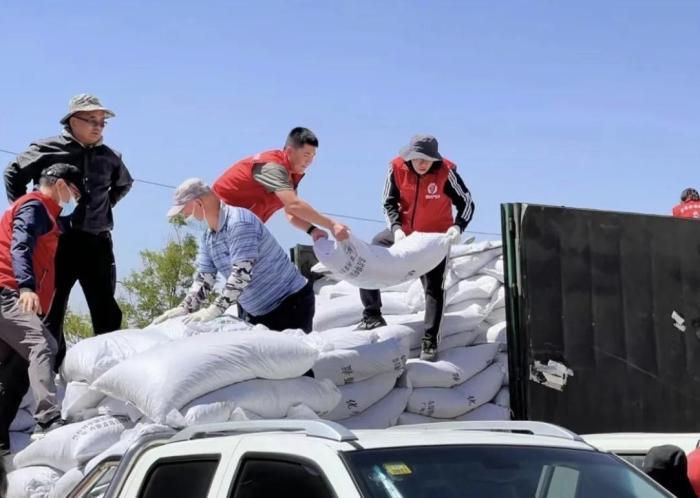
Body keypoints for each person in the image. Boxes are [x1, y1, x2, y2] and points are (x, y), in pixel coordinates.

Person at [4, 94, 134, 367]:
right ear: (74, 121)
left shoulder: (110, 157)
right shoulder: (46, 148)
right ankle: (50, 370)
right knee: (52, 309)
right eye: (91, 121)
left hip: (96, 241)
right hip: (56, 242)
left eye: (102, 122)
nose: (98, 127)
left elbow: (123, 184)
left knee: (106, 309)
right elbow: (13, 173)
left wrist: (104, 206)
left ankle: (109, 369)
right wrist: (27, 210)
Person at [356, 134, 475, 362]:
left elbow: (467, 202)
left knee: (433, 288)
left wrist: (458, 228)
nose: (422, 164)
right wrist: (396, 228)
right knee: (370, 253)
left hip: (434, 238)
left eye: (427, 160)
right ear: (409, 156)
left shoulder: (446, 172)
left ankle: (430, 340)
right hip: (404, 231)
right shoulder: (396, 168)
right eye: (418, 159)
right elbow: (388, 201)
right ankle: (372, 314)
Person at [153, 178, 315, 332]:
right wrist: (185, 307)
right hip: (256, 310)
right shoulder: (208, 235)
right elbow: (205, 278)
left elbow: (241, 275)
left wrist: (215, 309)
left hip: (289, 304)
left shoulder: (239, 223)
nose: (184, 219)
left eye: (184, 213)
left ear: (198, 204)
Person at [0, 164, 84, 450]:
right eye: (72, 190)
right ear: (59, 184)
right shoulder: (35, 206)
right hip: (8, 292)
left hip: (8, 293)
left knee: (12, 366)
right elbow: (20, 244)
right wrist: (26, 287)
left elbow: (56, 230)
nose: (73, 196)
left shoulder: (45, 212)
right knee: (42, 345)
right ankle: (48, 417)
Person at [212, 127, 349, 241]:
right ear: (289, 151)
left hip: (235, 230)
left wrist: (313, 230)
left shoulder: (290, 177)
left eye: (313, 156)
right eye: (306, 155)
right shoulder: (272, 167)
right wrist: (332, 225)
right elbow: (294, 206)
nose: (310, 161)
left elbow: (291, 213)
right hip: (214, 221)